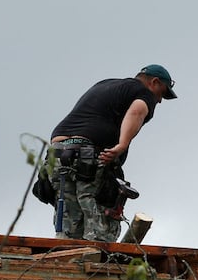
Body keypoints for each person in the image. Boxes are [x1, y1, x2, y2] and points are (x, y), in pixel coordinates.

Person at [48, 64, 177, 242]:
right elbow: (137, 110)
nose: (160, 100)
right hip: (89, 154)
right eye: (162, 93)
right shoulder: (143, 92)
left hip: (58, 153)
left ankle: (66, 256)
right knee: (100, 222)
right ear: (154, 82)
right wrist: (122, 145)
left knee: (69, 221)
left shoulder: (106, 84)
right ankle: (99, 262)